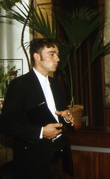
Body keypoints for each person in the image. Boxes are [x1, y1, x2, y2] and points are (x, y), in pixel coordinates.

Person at [0, 38, 74, 179]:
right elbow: (6, 124)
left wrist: (65, 116)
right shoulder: (20, 85)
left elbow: (58, 113)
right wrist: (41, 132)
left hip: (58, 154)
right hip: (33, 159)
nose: (57, 58)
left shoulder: (56, 84)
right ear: (36, 56)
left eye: (57, 54)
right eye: (51, 54)